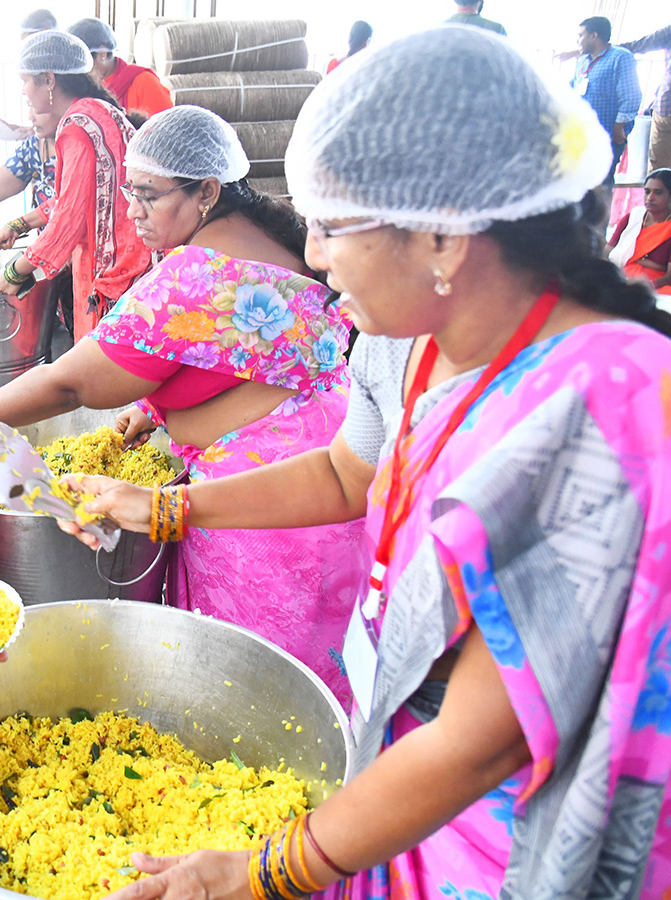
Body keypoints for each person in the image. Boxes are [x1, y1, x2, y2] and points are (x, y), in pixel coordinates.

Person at [66, 27, 671, 900]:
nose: (310, 256)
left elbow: (483, 737)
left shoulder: (603, 399)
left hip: (512, 844)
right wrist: (164, 508)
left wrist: (270, 870)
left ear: (444, 238)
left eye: (334, 226)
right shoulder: (407, 345)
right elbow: (346, 477)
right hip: (410, 806)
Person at [0, 105, 363, 702]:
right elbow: (248, 356)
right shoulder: (275, 240)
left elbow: (70, 383)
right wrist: (155, 410)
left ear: (206, 191)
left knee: (250, 690)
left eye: (149, 197)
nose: (132, 212)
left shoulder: (192, 277)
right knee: (315, 681)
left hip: (266, 516)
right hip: (328, 488)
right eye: (128, 192)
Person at [0, 30, 150, 340]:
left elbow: (69, 219)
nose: (23, 91)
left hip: (114, 267)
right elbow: (75, 197)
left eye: (25, 81)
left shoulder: (78, 128)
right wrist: (20, 224)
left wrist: (16, 270)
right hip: (133, 258)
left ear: (48, 80)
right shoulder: (97, 111)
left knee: (103, 374)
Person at [573, 16, 641, 189]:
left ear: (594, 36)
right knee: (581, 185)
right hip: (582, 136)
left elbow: (631, 96)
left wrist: (619, 127)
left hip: (607, 136)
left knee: (600, 186)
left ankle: (601, 217)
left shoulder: (620, 58)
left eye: (581, 35)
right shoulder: (582, 62)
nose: (577, 40)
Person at [68, 17, 172, 118]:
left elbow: (167, 130)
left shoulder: (144, 83)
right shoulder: (79, 87)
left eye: (82, 64)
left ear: (102, 54)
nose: (79, 72)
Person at [609, 167, 671, 296]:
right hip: (621, 278)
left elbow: (669, 277)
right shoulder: (633, 218)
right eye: (647, 192)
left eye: (658, 193)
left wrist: (642, 287)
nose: (650, 198)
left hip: (656, 287)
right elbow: (609, 251)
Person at [620, 23, 671, 171]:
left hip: (666, 107)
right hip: (665, 107)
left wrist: (597, 49)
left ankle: (655, 192)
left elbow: (640, 45)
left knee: (657, 168)